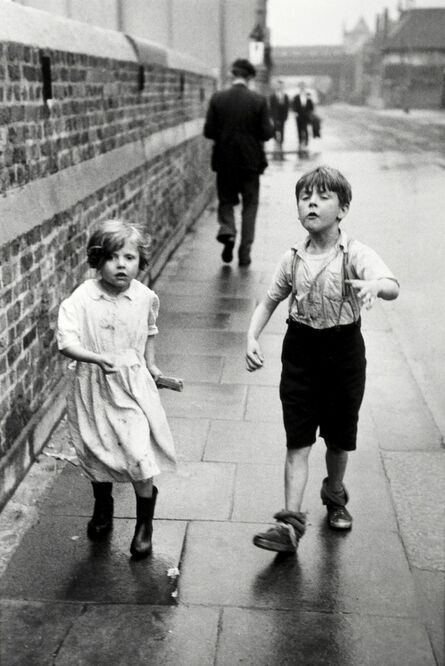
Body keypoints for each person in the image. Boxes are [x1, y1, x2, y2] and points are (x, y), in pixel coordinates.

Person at [245, 166, 399, 554]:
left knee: (338, 438)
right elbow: (268, 301)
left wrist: (376, 286)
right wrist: (251, 336)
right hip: (300, 352)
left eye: (323, 197)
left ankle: (334, 493)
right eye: (305, 197)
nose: (311, 202)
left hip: (343, 353)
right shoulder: (292, 259)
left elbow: (392, 286)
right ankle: (290, 524)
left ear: (343, 209)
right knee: (297, 439)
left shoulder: (356, 254)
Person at [57, 219, 177, 559]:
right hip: (94, 384)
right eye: (112, 257)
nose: (121, 264)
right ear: (98, 260)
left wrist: (151, 366)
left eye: (129, 257)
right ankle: (103, 504)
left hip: (132, 386)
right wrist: (95, 358)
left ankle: (144, 524)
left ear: (140, 261)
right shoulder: (83, 298)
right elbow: (65, 340)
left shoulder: (145, 297)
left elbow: (149, 330)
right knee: (98, 449)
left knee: (140, 455)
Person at [204, 58, 274, 267]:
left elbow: (209, 131)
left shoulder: (218, 99)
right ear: (250, 77)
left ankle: (228, 230)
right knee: (250, 206)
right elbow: (267, 132)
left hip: (224, 161)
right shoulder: (258, 100)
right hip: (251, 163)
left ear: (233, 75)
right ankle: (245, 253)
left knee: (226, 201)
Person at [269, 79, 289, 160]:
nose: (279, 87)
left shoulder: (285, 96)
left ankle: (281, 144)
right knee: (276, 130)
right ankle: (276, 143)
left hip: (282, 117)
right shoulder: (273, 96)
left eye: (281, 85)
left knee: (282, 130)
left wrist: (286, 116)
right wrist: (271, 117)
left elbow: (287, 107)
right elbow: (270, 107)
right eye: (278, 85)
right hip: (275, 117)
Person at [292, 82, 314, 152]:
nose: (302, 88)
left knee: (305, 128)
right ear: (299, 87)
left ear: (305, 87)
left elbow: (311, 106)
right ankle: (300, 141)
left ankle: (306, 142)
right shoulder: (296, 97)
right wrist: (295, 112)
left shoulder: (308, 95)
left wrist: (310, 112)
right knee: (299, 129)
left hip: (306, 116)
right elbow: (294, 106)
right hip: (299, 115)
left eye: (303, 86)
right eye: (301, 86)